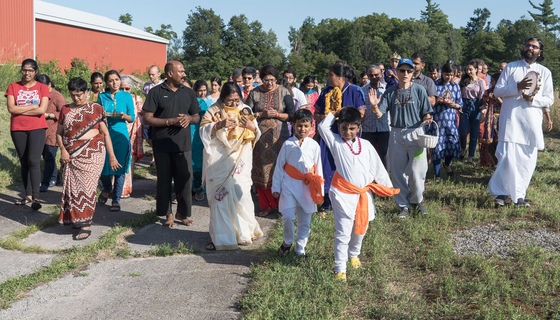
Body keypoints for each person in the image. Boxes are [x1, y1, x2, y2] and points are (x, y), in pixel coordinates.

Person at [317, 107, 397, 281]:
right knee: (343, 231)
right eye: (344, 128)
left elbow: (377, 167)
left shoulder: (366, 145)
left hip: (363, 195)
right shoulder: (336, 142)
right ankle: (340, 269)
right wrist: (337, 113)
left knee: (361, 228)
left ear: (358, 128)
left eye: (352, 128)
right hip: (342, 194)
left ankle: (353, 254)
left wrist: (387, 187)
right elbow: (323, 127)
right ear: (339, 127)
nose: (347, 132)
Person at [489, 37, 554, 207]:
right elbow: (497, 91)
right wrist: (517, 87)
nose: (530, 48)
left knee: (527, 159)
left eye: (534, 46)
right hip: (511, 120)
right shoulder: (511, 67)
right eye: (528, 45)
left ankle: (519, 196)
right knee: (507, 157)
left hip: (531, 122)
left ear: (540, 51)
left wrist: (532, 98)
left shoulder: (544, 72)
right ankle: (502, 194)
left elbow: (549, 99)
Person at [200, 82, 263, 250]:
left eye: (237, 100)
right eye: (230, 100)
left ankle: (244, 233)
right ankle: (222, 239)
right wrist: (218, 125)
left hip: (240, 159)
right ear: (222, 98)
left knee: (240, 196)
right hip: (219, 158)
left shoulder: (246, 110)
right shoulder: (214, 111)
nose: (234, 104)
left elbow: (255, 132)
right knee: (220, 198)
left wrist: (252, 128)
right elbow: (203, 130)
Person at [57, 77, 120, 240]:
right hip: (70, 155)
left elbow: (105, 134)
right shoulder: (65, 110)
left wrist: (112, 156)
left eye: (79, 95)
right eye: (73, 95)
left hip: (93, 153)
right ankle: (76, 219)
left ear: (86, 92)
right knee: (73, 189)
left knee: (88, 188)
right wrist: (63, 150)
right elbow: (59, 133)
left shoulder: (96, 109)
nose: (76, 98)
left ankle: (86, 224)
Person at [370, 58, 433, 218]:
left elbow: (427, 111)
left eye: (408, 71)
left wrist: (427, 118)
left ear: (413, 73)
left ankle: (416, 201)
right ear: (396, 72)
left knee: (416, 170)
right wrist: (374, 106)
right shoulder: (390, 92)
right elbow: (379, 115)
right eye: (402, 70)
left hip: (416, 133)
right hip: (396, 134)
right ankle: (403, 205)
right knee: (398, 172)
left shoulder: (419, 90)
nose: (405, 73)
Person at [143, 61, 201, 227]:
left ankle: (182, 213)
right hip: (161, 144)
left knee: (185, 179)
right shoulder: (156, 92)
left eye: (183, 71)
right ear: (169, 74)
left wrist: (189, 119)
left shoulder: (189, 93)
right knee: (164, 180)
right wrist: (170, 121)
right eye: (180, 71)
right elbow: (147, 118)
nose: (184, 74)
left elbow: (196, 116)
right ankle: (167, 213)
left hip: (183, 144)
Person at [314, 63, 366, 217]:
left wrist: (343, 115)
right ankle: (327, 203)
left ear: (340, 76)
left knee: (348, 166)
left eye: (330, 75)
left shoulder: (355, 90)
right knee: (327, 166)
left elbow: (361, 114)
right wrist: (325, 117)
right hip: (328, 135)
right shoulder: (326, 92)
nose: (328, 78)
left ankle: (350, 198)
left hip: (348, 136)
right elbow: (316, 114)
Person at [272, 109, 323, 257]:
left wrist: (320, 192)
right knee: (287, 216)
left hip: (307, 188)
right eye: (299, 125)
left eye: (306, 126)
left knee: (304, 221)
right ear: (294, 125)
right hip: (289, 185)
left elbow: (318, 169)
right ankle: (287, 242)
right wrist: (276, 187)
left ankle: (301, 248)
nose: (303, 129)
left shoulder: (314, 146)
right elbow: (280, 166)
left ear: (312, 126)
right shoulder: (288, 144)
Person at [246, 65, 295, 217]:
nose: (270, 84)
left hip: (279, 139)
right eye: (266, 80)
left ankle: (282, 205)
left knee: (279, 170)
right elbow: (246, 113)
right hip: (259, 140)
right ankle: (266, 205)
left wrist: (278, 115)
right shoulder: (254, 93)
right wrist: (262, 114)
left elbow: (292, 115)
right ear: (261, 79)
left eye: (272, 80)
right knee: (261, 171)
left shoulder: (284, 92)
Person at [5, 58, 50, 210]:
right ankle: (27, 195)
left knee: (33, 161)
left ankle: (36, 198)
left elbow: (42, 110)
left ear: (35, 71)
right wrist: (31, 106)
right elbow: (11, 108)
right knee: (24, 161)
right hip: (18, 128)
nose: (27, 73)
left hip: (37, 127)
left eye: (30, 70)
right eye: (24, 70)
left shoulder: (42, 87)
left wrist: (21, 108)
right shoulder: (13, 86)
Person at [97, 70, 135, 211]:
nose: (115, 83)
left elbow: (132, 117)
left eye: (117, 80)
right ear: (107, 83)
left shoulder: (126, 96)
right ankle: (107, 187)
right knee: (104, 166)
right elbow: (98, 115)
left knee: (119, 167)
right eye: (111, 80)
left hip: (121, 133)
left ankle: (116, 199)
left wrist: (124, 116)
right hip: (105, 133)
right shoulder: (102, 97)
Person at [429, 63, 463, 182]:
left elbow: (460, 104)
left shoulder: (455, 87)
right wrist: (438, 100)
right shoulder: (435, 84)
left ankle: (447, 164)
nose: (448, 77)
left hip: (451, 120)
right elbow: (430, 100)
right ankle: (437, 174)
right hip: (437, 119)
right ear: (441, 73)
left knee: (452, 143)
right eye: (446, 74)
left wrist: (455, 105)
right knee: (437, 146)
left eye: (450, 75)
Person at [37, 74, 66, 192]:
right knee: (46, 155)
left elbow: (64, 114)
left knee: (50, 156)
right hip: (40, 130)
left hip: (53, 131)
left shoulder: (57, 96)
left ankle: (46, 181)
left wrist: (48, 115)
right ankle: (55, 177)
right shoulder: (37, 94)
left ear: (49, 85)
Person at [119, 76, 144, 199]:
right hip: (118, 134)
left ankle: (126, 189)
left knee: (129, 162)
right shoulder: (115, 99)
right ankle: (116, 188)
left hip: (132, 135)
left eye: (127, 88)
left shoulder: (136, 99)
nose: (124, 91)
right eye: (121, 88)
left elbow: (141, 117)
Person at [362, 65, 389, 169]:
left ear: (381, 74)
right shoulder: (362, 90)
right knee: (368, 155)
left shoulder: (387, 89)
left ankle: (385, 179)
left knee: (384, 155)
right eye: (371, 75)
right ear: (368, 76)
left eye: (376, 75)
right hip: (368, 128)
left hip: (384, 128)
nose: (374, 77)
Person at [459, 60, 487, 163]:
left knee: (474, 133)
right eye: (467, 70)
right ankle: (462, 148)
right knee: (462, 131)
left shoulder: (480, 82)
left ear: (476, 70)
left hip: (476, 106)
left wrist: (483, 110)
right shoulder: (463, 81)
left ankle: (470, 156)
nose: (468, 71)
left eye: (470, 69)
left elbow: (483, 97)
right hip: (464, 106)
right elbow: (459, 95)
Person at [192, 80, 210, 201]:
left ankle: (198, 188)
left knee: (198, 163)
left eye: (204, 90)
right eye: (200, 90)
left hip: (199, 136)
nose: (202, 93)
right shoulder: (191, 102)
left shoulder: (203, 103)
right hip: (189, 133)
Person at [479, 72, 502, 167]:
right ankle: (491, 162)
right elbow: (480, 102)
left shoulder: (503, 92)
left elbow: (506, 105)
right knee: (490, 142)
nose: (490, 82)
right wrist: (487, 98)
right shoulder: (488, 91)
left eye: (492, 81)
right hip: (490, 118)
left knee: (498, 141)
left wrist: (498, 99)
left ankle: (500, 162)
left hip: (501, 118)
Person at [142, 65, 163, 166]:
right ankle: (155, 152)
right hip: (149, 113)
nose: (151, 77)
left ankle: (155, 158)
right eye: (149, 74)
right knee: (147, 137)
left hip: (159, 115)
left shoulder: (164, 85)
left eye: (153, 74)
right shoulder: (146, 85)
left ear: (158, 74)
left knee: (157, 136)